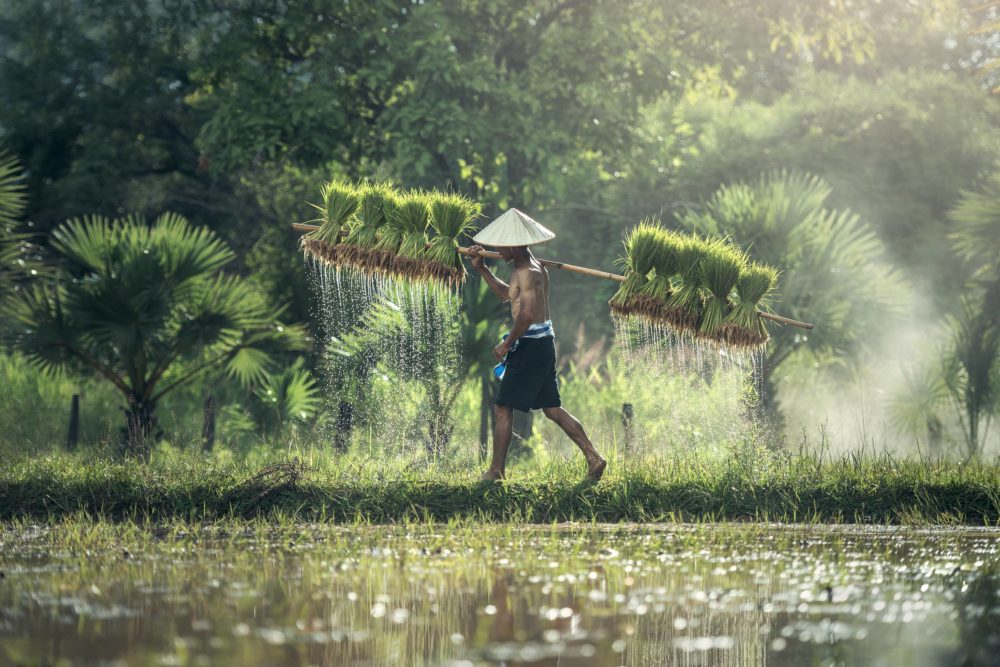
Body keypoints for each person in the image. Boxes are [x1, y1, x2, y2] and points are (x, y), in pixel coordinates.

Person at [467, 208, 606, 482]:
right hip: (542, 343)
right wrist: (481, 268)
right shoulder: (528, 269)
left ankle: (496, 471)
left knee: (503, 406)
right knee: (551, 408)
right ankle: (594, 457)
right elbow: (508, 296)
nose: (496, 248)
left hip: (531, 345)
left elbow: (527, 315)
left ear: (515, 244)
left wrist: (507, 343)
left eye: (501, 244)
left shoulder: (529, 272)